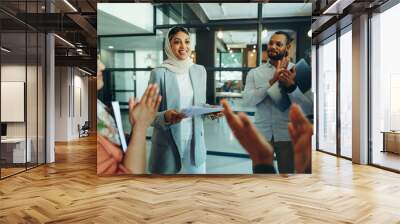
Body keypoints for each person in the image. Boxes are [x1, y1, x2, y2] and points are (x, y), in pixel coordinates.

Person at [242, 31, 312, 173]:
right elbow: (247, 102)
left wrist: (292, 87)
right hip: (262, 134)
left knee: (288, 177)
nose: (273, 46)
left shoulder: (300, 71)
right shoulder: (255, 73)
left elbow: (308, 108)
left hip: (287, 135)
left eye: (279, 44)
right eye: (271, 43)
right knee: (261, 177)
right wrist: (271, 82)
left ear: (288, 47)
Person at [148, 26, 212, 174]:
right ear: (169, 45)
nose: (184, 46)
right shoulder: (159, 73)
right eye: (177, 42)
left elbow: (199, 104)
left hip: (195, 142)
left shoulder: (199, 71)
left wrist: (210, 111)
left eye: (187, 41)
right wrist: (165, 116)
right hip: (167, 143)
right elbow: (148, 115)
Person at [97, 59, 162, 174]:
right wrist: (140, 126)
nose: (102, 66)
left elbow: (120, 143)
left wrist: (136, 125)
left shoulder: (98, 106)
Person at [221, 99, 312, 174]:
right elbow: (248, 100)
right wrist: (263, 163)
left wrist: (291, 87)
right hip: (264, 131)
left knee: (288, 173)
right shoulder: (254, 76)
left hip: (285, 133)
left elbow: (308, 105)